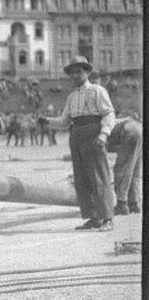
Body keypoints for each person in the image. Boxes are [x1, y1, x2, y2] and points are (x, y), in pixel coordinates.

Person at [40, 56, 116, 231]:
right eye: (72, 72)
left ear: (87, 72)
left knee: (99, 176)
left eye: (78, 71)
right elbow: (65, 121)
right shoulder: (71, 97)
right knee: (82, 178)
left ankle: (108, 218)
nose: (75, 75)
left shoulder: (98, 91)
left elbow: (109, 114)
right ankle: (94, 217)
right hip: (76, 135)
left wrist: (104, 134)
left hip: (94, 133)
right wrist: (47, 121)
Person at [107, 113, 142, 216]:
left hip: (127, 130)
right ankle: (134, 203)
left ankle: (121, 204)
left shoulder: (94, 130)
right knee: (135, 168)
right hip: (138, 127)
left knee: (121, 169)